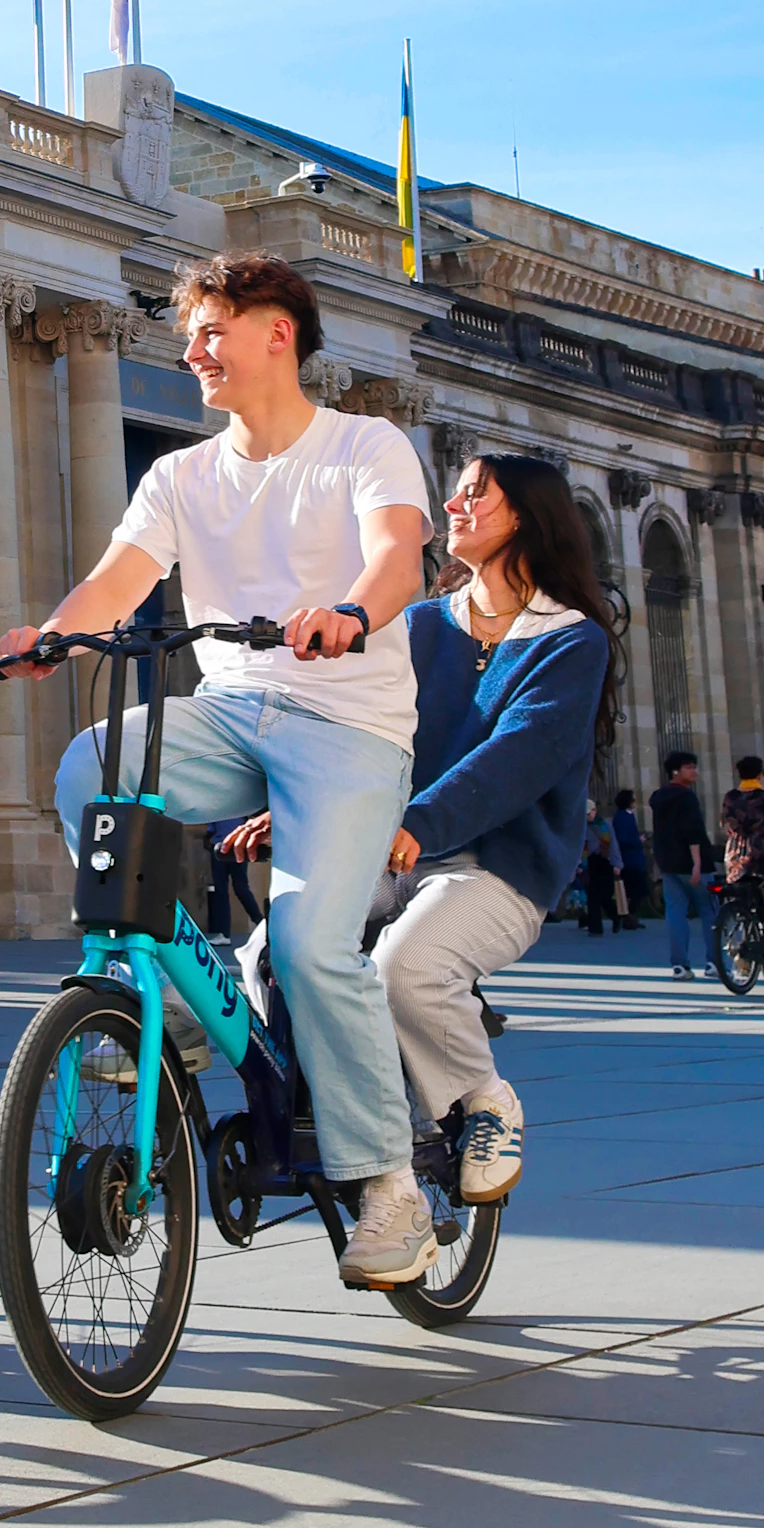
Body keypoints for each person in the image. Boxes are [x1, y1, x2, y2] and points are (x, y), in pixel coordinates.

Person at [5, 249, 437, 1292]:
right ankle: (188, 1019)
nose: (192, 351)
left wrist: (352, 614)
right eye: (189, 335)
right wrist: (58, 633)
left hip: (347, 720)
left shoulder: (365, 445)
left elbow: (397, 557)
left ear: (277, 331)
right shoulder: (181, 475)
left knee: (306, 941)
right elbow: (121, 577)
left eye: (210, 331)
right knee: (89, 772)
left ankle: (388, 1186)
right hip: (231, 709)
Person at [226, 451, 614, 1206]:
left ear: (526, 517)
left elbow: (520, 755)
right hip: (392, 846)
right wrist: (302, 801)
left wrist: (418, 821)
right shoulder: (424, 625)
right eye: (457, 494)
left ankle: (484, 1101)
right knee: (267, 955)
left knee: (407, 967)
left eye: (476, 496)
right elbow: (366, 734)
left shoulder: (571, 639)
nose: (455, 508)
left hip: (497, 867)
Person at [650, 750, 718, 978]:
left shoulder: (659, 798)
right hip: (691, 862)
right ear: (675, 771)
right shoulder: (686, 797)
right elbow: (693, 831)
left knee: (676, 913)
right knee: (709, 911)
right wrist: (697, 863)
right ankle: (714, 962)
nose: (694, 771)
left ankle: (679, 965)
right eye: (689, 767)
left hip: (669, 863)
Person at [721, 755, 764, 886]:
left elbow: (724, 822)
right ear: (760, 775)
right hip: (759, 854)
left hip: (733, 859)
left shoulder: (730, 797)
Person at [580, 800, 626, 935]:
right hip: (589, 862)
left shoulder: (605, 825)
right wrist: (578, 864)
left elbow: (613, 844)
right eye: (586, 814)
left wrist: (617, 863)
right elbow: (579, 846)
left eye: (590, 812)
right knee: (592, 895)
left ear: (595, 810)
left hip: (604, 860)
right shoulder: (582, 827)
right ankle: (595, 929)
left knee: (605, 895)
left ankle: (615, 916)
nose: (588, 816)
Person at [611, 787, 650, 924]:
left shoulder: (629, 815)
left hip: (636, 858)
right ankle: (628, 916)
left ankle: (631, 915)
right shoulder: (621, 817)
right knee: (635, 888)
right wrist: (637, 840)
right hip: (629, 859)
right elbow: (621, 839)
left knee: (640, 888)